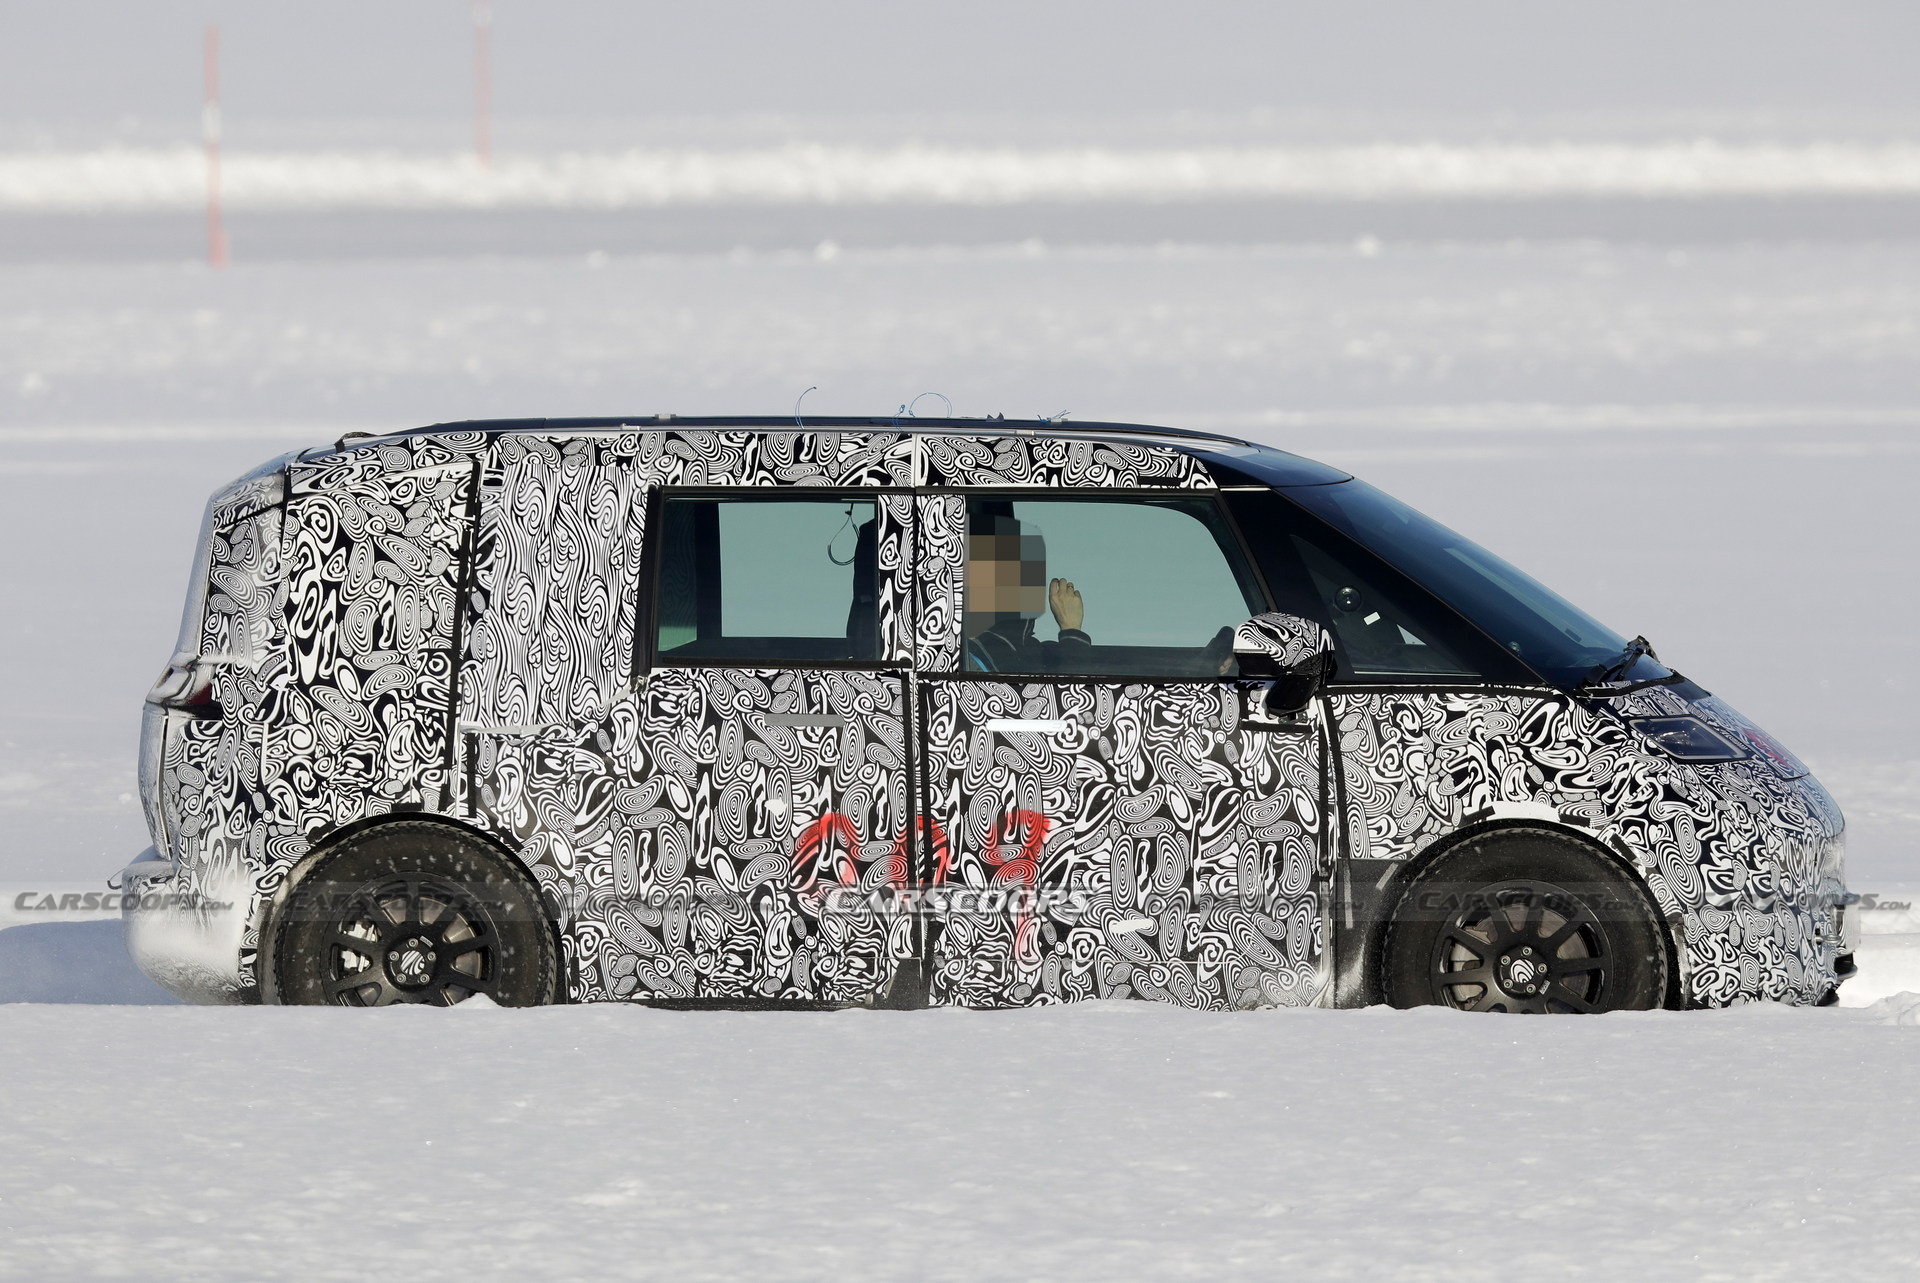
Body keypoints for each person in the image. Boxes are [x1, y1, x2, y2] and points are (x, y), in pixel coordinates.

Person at [963, 514, 1092, 672]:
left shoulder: (1037, 652)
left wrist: (1072, 635)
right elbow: (1069, 694)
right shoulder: (969, 655)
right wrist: (1071, 627)